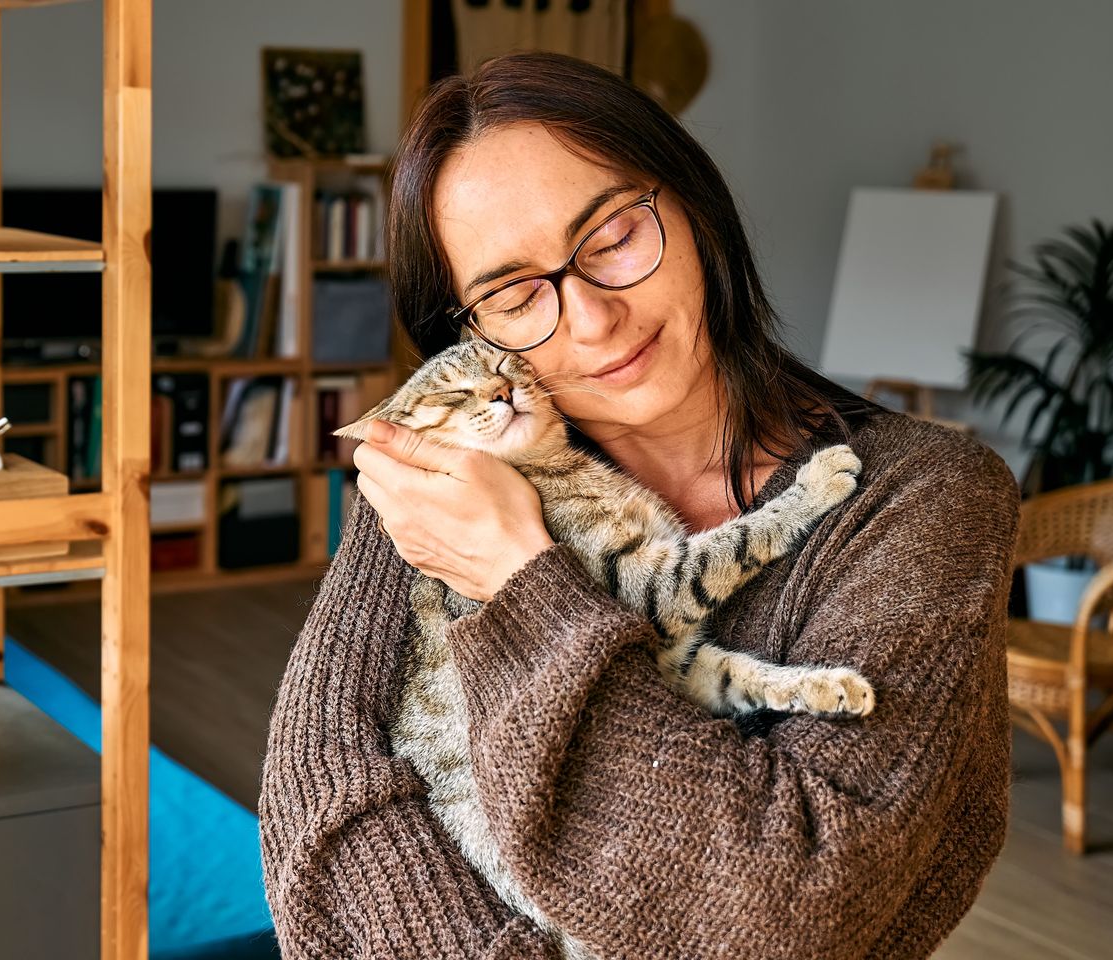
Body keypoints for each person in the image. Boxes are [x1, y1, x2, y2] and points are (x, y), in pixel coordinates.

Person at [258, 51, 1019, 959]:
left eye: (613, 234)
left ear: (694, 204)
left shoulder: (923, 498)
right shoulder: (451, 470)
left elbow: (792, 911)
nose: (589, 320)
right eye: (510, 291)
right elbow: (318, 800)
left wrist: (521, 583)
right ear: (468, 332)